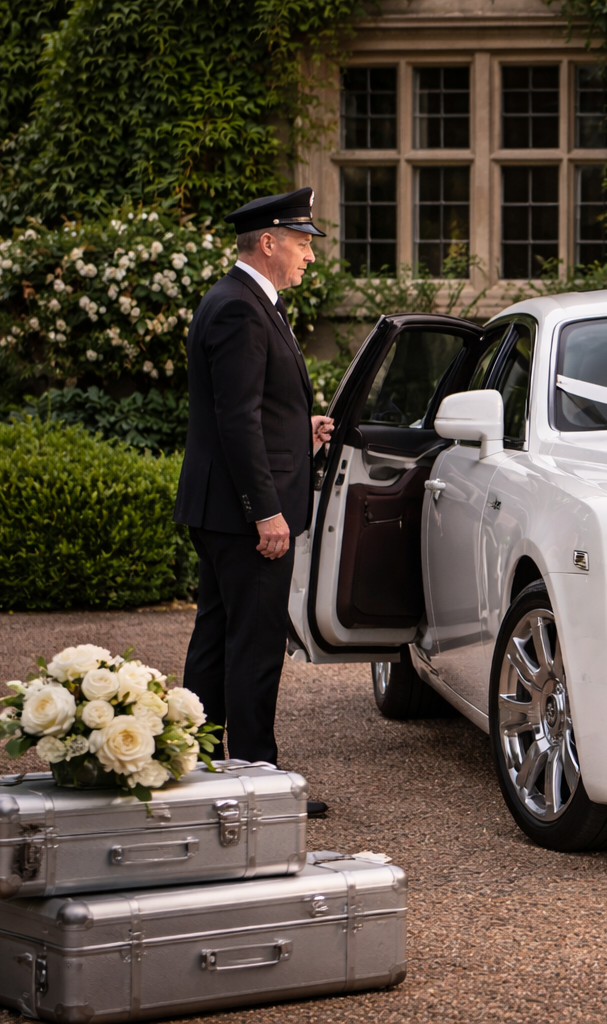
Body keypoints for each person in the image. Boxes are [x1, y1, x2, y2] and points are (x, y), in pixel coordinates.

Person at [174, 187, 335, 816]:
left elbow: (247, 413)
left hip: (219, 507)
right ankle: (256, 783)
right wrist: (265, 511)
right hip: (244, 514)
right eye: (301, 244)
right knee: (255, 643)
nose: (309, 257)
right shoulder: (241, 308)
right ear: (267, 242)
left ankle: (205, 767)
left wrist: (303, 429)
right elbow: (236, 420)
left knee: (218, 636)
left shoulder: (239, 300)